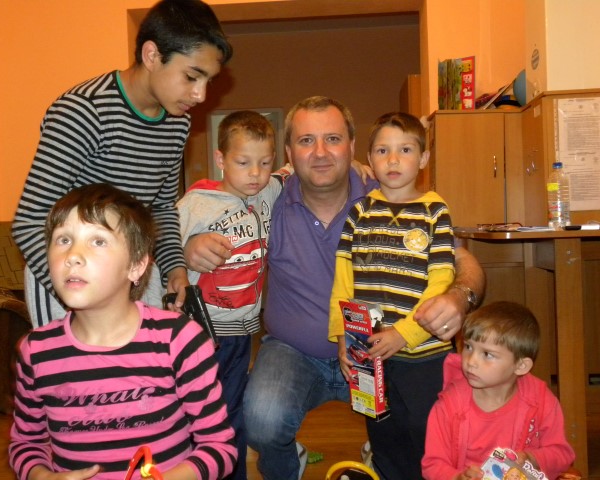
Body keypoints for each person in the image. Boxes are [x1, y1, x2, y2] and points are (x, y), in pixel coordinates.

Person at [183, 96, 485, 480]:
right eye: (306, 141)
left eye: (333, 139)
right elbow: (207, 210)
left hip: (383, 352)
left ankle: (382, 453)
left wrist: (460, 296)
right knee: (261, 419)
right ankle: (290, 462)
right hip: (293, 354)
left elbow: (462, 262)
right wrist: (189, 247)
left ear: (353, 146)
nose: (321, 153)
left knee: (418, 423)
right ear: (288, 154)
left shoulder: (389, 194)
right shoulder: (266, 199)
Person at [12, 0, 233, 328]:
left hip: (131, 271)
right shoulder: (83, 112)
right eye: (191, 77)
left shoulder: (178, 124)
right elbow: (29, 222)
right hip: (68, 277)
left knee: (147, 361)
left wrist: (174, 269)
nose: (200, 95)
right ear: (151, 55)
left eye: (207, 81)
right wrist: (82, 289)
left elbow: (161, 209)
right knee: (80, 364)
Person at [9, 183, 236, 480]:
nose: (73, 255)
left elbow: (219, 447)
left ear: (136, 266)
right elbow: (26, 443)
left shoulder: (179, 341)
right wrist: (42, 476)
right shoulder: (37, 352)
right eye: (63, 239)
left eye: (98, 241)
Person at [329, 112, 456, 480]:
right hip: (370, 351)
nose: (394, 159)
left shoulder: (435, 211)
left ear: (424, 158)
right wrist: (342, 336)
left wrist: (405, 333)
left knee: (425, 431)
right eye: (383, 151)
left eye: (405, 150)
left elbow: (441, 281)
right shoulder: (359, 212)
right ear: (370, 159)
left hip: (424, 353)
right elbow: (343, 281)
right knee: (383, 431)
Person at [176, 110, 289, 480]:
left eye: (264, 162)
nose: (255, 173)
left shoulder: (270, 190)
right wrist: (187, 248)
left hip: (241, 335)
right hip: (200, 334)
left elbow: (292, 173)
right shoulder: (196, 204)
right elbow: (162, 249)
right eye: (243, 163)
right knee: (200, 415)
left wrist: (356, 166)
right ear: (220, 159)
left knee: (232, 411)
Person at [421, 301, 575, 480]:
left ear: (521, 366)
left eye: (487, 354)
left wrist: (531, 459)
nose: (471, 361)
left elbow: (562, 455)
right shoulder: (449, 405)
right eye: (468, 347)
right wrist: (457, 477)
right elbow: (433, 465)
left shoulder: (540, 400)